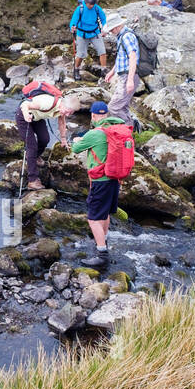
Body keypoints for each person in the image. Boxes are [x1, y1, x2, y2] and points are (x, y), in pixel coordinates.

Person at [70, 101, 131, 269]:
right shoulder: (116, 128)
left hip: (100, 181)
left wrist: (77, 139)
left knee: (93, 218)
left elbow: (75, 148)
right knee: (104, 213)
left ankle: (102, 255)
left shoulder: (94, 133)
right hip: (114, 179)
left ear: (93, 115)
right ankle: (103, 240)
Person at [16, 81, 78, 192]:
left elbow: (62, 123)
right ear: (64, 105)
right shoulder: (47, 103)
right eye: (68, 111)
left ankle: (35, 157)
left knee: (45, 139)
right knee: (32, 146)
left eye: (71, 113)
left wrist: (63, 139)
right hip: (24, 116)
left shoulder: (62, 108)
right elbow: (24, 105)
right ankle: (32, 180)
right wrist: (26, 115)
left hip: (37, 117)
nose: (68, 114)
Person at [101, 12, 139, 125]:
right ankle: (130, 129)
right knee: (123, 106)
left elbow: (133, 57)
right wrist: (112, 72)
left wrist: (130, 80)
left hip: (129, 75)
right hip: (124, 75)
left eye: (112, 30)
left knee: (113, 108)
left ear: (117, 26)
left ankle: (128, 129)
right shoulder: (121, 36)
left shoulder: (127, 37)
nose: (111, 32)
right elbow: (121, 57)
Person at [69, 0, 107, 75]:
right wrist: (73, 26)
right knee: (80, 54)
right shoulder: (80, 9)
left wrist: (104, 29)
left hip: (95, 33)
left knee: (102, 51)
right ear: (86, 3)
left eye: (93, 4)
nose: (92, 6)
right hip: (82, 34)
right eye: (90, 4)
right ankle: (76, 70)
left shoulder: (97, 8)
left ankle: (104, 70)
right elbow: (74, 20)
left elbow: (103, 19)